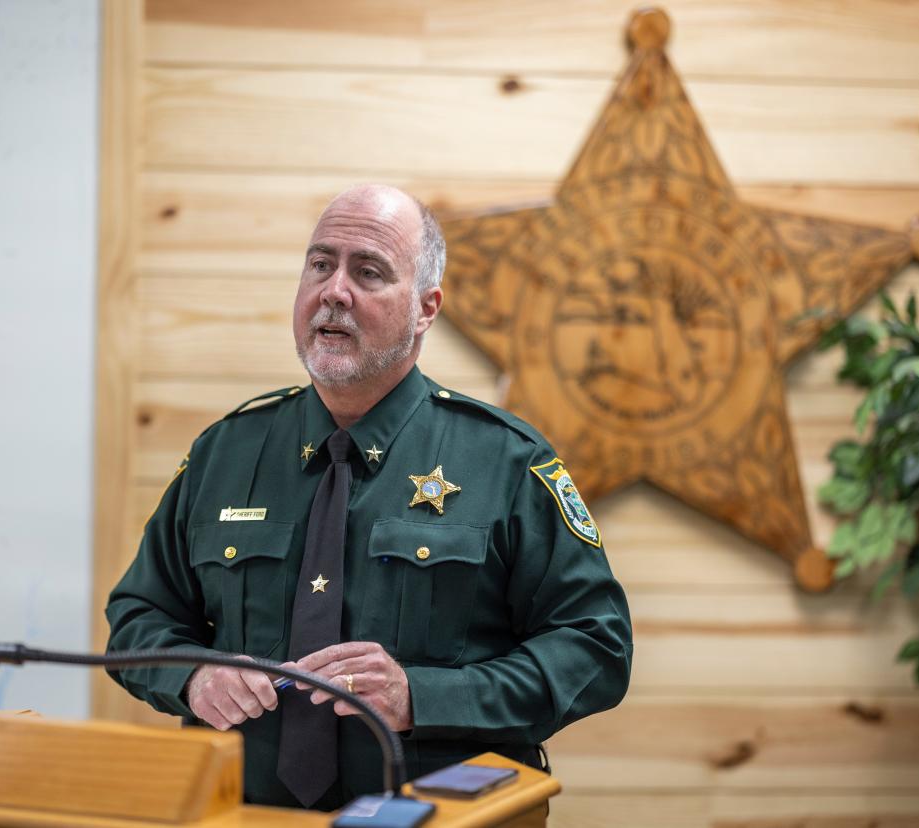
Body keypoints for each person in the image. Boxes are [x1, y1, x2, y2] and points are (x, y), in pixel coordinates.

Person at [105, 184, 632, 811]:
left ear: (425, 308)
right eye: (320, 264)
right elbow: (137, 621)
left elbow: (595, 648)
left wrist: (423, 696)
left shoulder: (506, 460)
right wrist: (193, 676)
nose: (334, 291)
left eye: (370, 271)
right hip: (246, 816)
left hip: (436, 817)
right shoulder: (226, 452)